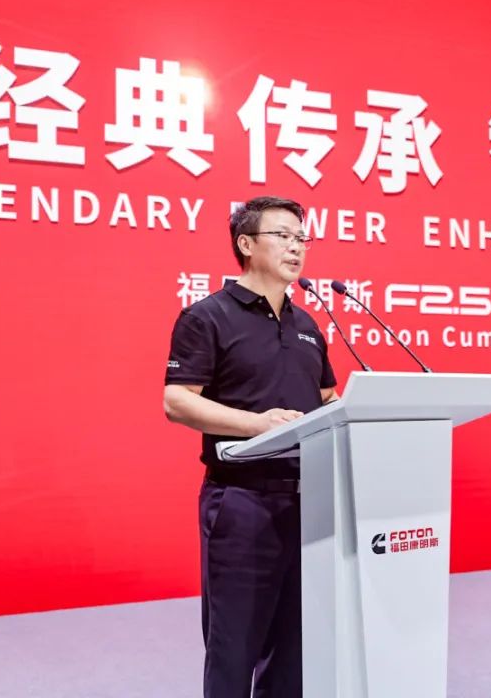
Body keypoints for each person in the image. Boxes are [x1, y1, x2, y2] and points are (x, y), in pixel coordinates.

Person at [162, 195, 338, 698]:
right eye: (283, 236)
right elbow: (177, 401)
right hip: (242, 502)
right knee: (234, 646)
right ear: (245, 244)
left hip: (309, 502)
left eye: (302, 238)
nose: (296, 247)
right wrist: (257, 425)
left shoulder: (307, 326)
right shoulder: (208, 317)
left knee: (295, 646)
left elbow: (329, 401)